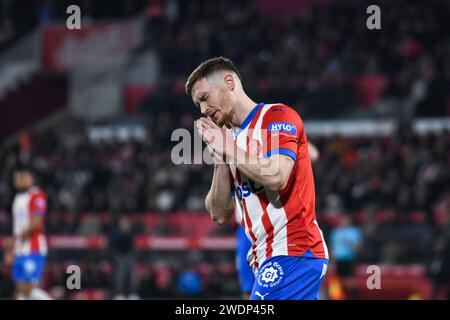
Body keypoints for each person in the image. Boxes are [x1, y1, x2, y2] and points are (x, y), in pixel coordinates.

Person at [185, 57, 329, 300]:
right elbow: (219, 213)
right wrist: (220, 158)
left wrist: (228, 148)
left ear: (229, 82)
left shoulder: (278, 116)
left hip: (294, 251)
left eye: (204, 98)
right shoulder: (229, 140)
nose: (202, 110)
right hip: (264, 258)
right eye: (197, 104)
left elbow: (277, 176)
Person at [234, 142, 320, 299]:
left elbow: (313, 154)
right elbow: (219, 213)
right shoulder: (231, 144)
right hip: (249, 232)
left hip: (280, 229)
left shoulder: (272, 132)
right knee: (250, 288)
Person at [4, 165, 52, 300]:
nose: (19, 180)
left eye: (23, 177)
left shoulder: (37, 195)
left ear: (31, 178)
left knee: (28, 288)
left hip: (34, 248)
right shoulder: (18, 198)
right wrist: (13, 247)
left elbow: (36, 222)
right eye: (17, 177)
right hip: (20, 250)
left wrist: (15, 239)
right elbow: (18, 226)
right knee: (20, 289)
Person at [329, 215, 363, 299]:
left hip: (348, 259)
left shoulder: (354, 232)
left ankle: (354, 297)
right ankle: (336, 298)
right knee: (336, 281)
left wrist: (349, 244)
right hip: (337, 259)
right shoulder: (335, 232)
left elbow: (358, 247)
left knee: (350, 280)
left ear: (349, 221)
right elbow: (332, 247)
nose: (343, 222)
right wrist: (331, 260)